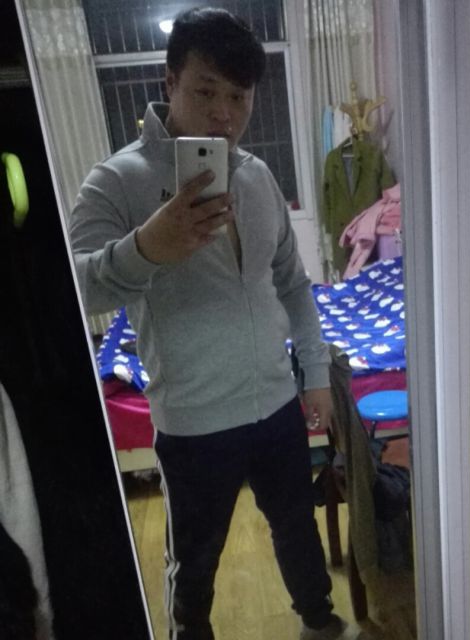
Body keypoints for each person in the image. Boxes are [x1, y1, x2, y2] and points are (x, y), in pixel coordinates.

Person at [69, 7, 370, 640]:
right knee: (195, 560)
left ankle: (319, 620)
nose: (224, 114)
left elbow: (292, 282)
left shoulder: (257, 176)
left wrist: (316, 373)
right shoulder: (116, 181)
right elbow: (79, 284)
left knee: (296, 525)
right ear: (170, 80)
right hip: (194, 421)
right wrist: (148, 247)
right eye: (206, 92)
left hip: (276, 403)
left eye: (239, 97)